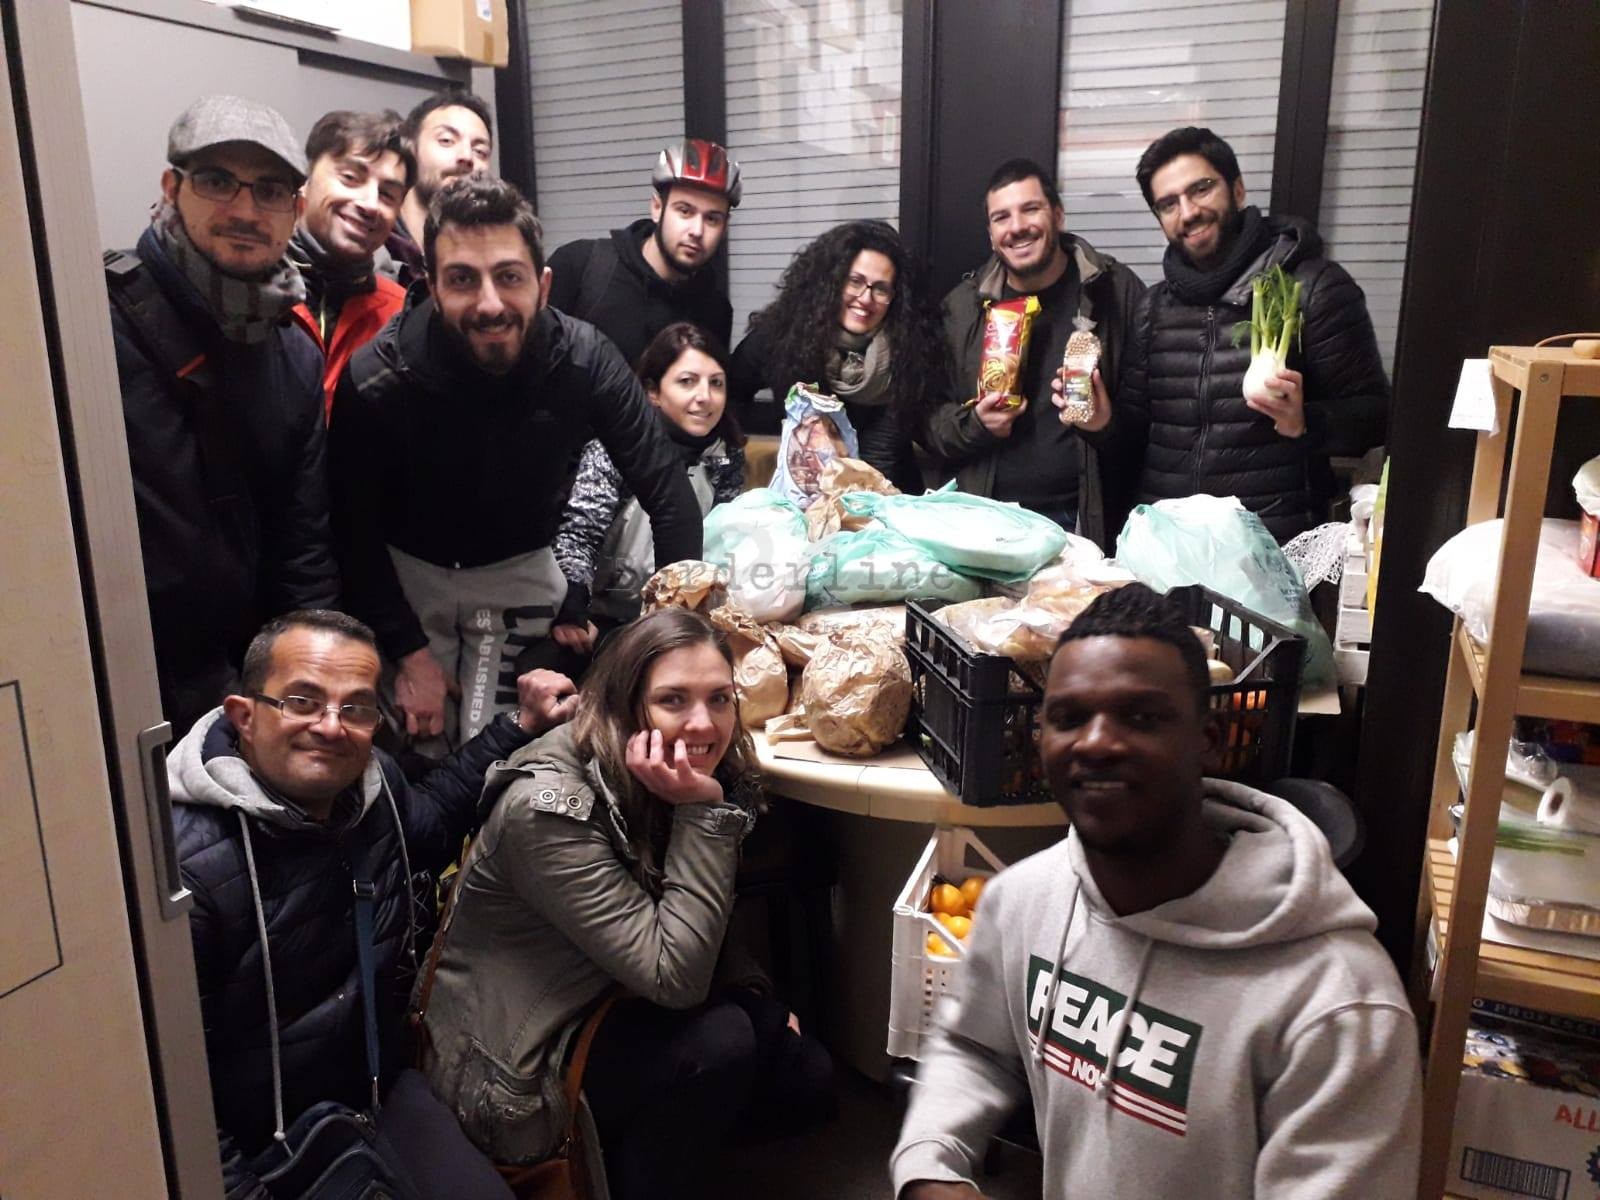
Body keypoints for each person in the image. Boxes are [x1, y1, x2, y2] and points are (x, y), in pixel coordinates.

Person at [891, 583, 1421, 1200]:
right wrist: (929, 1165)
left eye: (1141, 716)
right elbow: (974, 1046)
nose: (1095, 742)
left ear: (1210, 741)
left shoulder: (1338, 1006)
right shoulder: (1024, 902)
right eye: (1068, 717)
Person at [419, 608, 833, 1199]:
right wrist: (701, 812)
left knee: (802, 1075)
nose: (703, 723)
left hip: (607, 988)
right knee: (721, 1045)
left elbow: (694, 901)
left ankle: (638, 1153)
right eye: (673, 700)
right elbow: (675, 976)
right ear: (625, 704)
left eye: (719, 698)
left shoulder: (671, 766)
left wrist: (750, 990)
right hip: (516, 1063)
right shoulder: (548, 808)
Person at [169, 608, 578, 1198]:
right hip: (260, 1139)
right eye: (303, 701)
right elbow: (178, 1094)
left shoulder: (372, 788)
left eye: (356, 708)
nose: (331, 727)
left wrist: (521, 724)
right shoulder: (188, 871)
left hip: (372, 1092)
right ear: (245, 716)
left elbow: (433, 820)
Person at [328, 173, 703, 753]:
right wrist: (409, 655)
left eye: (509, 277)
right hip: (407, 577)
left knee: (513, 755)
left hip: (521, 568)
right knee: (417, 755)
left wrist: (676, 648)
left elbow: (670, 496)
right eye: (462, 279)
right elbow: (351, 530)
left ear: (543, 285)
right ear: (431, 287)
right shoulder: (376, 376)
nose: (490, 304)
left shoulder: (587, 359)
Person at [105, 94, 337, 736]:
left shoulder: (294, 353)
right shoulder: (96, 322)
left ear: (295, 211)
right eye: (217, 181)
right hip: (117, 682)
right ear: (171, 188)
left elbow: (303, 546)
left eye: (270, 191)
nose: (244, 210)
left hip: (244, 688)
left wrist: (308, 687)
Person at [1121, 126, 1391, 542]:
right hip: (1171, 543)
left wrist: (1305, 421)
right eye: (1168, 204)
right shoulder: (1151, 308)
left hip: (1270, 545)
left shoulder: (1314, 288)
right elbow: (1133, 432)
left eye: (1201, 189)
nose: (1188, 212)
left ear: (1238, 189)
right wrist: (1098, 422)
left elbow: (1374, 416)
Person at [926, 158, 1146, 549]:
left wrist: (1104, 424)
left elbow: (1153, 421)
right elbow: (926, 421)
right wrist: (975, 424)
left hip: (1080, 522)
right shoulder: (962, 308)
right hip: (983, 518)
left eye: (1030, 209)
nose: (1017, 227)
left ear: (1057, 215)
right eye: (1001, 217)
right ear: (991, 234)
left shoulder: (1116, 292)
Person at [553, 322, 745, 654]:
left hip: (681, 620)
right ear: (652, 392)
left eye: (716, 383)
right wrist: (574, 606)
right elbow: (578, 537)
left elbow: (722, 545)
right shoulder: (612, 450)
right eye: (687, 382)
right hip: (603, 619)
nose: (705, 397)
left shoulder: (726, 456)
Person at [729, 220, 945, 490]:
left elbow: (884, 456)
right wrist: (747, 450)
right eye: (855, 281)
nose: (865, 298)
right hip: (804, 494)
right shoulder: (784, 335)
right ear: (831, 282)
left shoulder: (909, 349)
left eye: (881, 288)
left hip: (887, 493)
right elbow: (732, 391)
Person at [546, 138, 740, 368]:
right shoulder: (580, 266)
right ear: (657, 208)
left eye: (712, 219)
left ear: (724, 227)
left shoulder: (715, 311)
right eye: (685, 211)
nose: (697, 231)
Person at [288, 109, 411, 416]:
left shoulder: (401, 317)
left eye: (387, 194)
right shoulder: (247, 292)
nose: (370, 204)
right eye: (351, 178)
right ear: (304, 180)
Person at [384, 89, 493, 287]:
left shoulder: (490, 261)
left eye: (480, 151)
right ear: (410, 149)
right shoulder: (372, 246)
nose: (467, 157)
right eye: (446, 141)